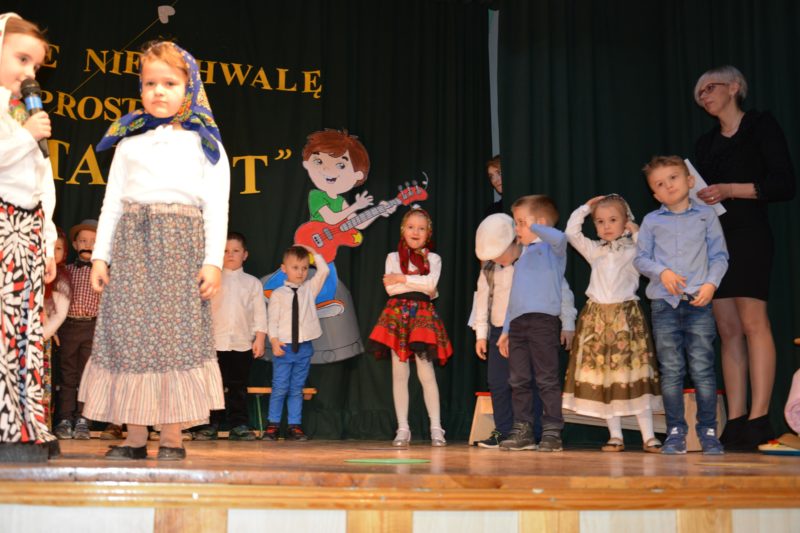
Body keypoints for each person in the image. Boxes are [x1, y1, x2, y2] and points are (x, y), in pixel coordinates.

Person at [79, 41, 229, 461]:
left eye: (169, 83)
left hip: (181, 248)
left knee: (174, 339)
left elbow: (217, 206)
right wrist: (101, 256)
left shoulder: (206, 144)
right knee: (129, 337)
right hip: (132, 245)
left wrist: (213, 262)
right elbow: (112, 203)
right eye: (149, 83)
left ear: (189, 88)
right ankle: (133, 437)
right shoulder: (130, 144)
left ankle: (172, 438)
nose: (158, 91)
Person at [692, 66, 796, 450]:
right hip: (715, 239)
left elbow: (784, 183)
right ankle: (735, 419)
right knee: (728, 328)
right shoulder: (705, 144)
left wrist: (729, 190)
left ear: (735, 87)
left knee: (754, 323)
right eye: (700, 93)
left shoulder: (760, 127)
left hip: (750, 232)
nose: (704, 96)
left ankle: (759, 418)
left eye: (710, 88)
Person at [635, 156, 729, 455]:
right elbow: (640, 258)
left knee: (702, 368)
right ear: (655, 194)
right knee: (671, 370)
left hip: (698, 302)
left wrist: (711, 284)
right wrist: (661, 272)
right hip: (664, 304)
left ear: (689, 181)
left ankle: (708, 431)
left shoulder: (706, 216)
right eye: (660, 184)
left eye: (673, 178)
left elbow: (719, 256)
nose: (669, 186)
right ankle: (675, 432)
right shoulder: (651, 221)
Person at [0, 12, 59, 462]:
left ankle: (25, 425)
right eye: (21, 58)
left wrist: (48, 235)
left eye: (35, 65)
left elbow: (43, 181)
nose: (29, 72)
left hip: (28, 229)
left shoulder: (24, 110)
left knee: (24, 331)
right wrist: (24, 136)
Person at [563, 195, 663, 453]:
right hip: (596, 320)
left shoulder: (633, 250)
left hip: (625, 319)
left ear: (625, 221)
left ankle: (649, 436)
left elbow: (650, 256)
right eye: (600, 221)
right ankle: (615, 435)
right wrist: (585, 208)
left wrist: (637, 232)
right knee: (605, 377)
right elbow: (571, 233)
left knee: (633, 374)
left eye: (613, 220)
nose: (606, 226)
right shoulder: (594, 250)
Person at [472, 213, 576, 448]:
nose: (496, 259)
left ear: (514, 241)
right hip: (500, 331)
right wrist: (481, 334)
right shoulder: (488, 269)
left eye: (499, 253)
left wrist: (568, 322)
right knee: (499, 382)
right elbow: (481, 302)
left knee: (534, 380)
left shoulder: (536, 261)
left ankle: (537, 432)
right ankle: (503, 430)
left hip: (531, 328)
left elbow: (562, 291)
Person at [368, 208, 453, 447]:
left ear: (428, 233)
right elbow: (390, 288)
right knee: (399, 373)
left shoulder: (433, 259)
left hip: (422, 316)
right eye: (411, 227)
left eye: (421, 228)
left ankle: (436, 427)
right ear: (403, 230)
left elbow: (431, 285)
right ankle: (403, 427)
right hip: (398, 315)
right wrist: (417, 284)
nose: (416, 232)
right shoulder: (392, 258)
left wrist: (403, 278)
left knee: (426, 372)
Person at [497, 195, 567, 452]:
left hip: (543, 323)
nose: (517, 228)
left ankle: (552, 431)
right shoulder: (523, 256)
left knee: (547, 378)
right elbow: (515, 297)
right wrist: (506, 330)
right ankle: (523, 429)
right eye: (516, 222)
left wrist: (534, 226)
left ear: (540, 223)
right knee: (518, 380)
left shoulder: (553, 250)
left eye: (520, 222)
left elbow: (560, 237)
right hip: (518, 325)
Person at [193, 232, 267, 442]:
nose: (230, 255)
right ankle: (211, 424)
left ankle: (239, 424)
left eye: (236, 251)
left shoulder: (252, 283)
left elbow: (260, 313)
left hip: (242, 343)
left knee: (238, 386)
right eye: (225, 251)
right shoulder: (211, 280)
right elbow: (201, 311)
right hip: (214, 343)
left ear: (245, 255)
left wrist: (260, 338)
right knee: (213, 385)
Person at [264, 245, 329, 441]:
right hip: (284, 347)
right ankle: (273, 425)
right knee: (280, 387)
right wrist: (274, 341)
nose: (300, 272)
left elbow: (324, 271)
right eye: (295, 267)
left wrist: (314, 253)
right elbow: (272, 321)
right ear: (284, 268)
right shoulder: (278, 294)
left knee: (296, 388)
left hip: (304, 347)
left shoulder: (309, 290)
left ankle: (294, 425)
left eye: (304, 268)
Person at [53, 219, 100, 441]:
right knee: (67, 375)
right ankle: (64, 418)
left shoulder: (103, 273)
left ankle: (83, 419)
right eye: (83, 241)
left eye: (93, 241)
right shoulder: (67, 271)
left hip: (92, 328)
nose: (87, 245)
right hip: (68, 327)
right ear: (74, 244)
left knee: (87, 376)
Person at [43, 228, 71, 431]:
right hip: (20, 335)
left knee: (41, 382)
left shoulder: (61, 278)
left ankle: (40, 425)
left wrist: (42, 335)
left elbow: (59, 314)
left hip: (42, 339)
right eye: (50, 247)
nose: (53, 252)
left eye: (58, 248)